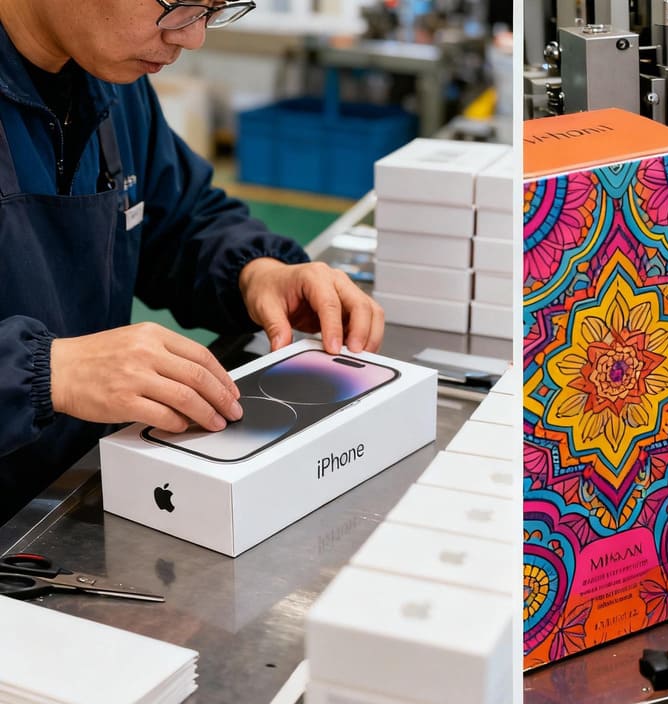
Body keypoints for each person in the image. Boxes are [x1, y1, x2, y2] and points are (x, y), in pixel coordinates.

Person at [0, 0, 386, 522]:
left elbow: (178, 220)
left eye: (214, 8)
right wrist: (49, 372)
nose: (194, 38)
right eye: (178, 2)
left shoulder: (110, 84)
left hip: (71, 491)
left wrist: (257, 273)